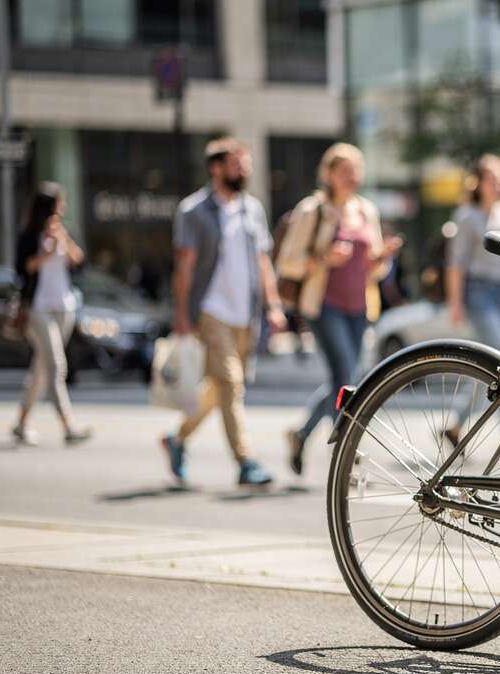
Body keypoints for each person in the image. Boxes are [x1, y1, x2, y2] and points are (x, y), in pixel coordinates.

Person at [161, 137, 286, 487]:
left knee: (220, 390)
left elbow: (263, 262)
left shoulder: (252, 209)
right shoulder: (193, 211)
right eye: (236, 164)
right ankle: (246, 462)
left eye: (245, 164)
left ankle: (177, 439)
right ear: (215, 168)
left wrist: (273, 305)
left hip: (246, 314)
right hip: (211, 311)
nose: (244, 170)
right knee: (231, 385)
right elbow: (184, 267)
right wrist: (183, 315)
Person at [278, 143, 401, 475]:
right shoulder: (312, 210)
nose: (352, 176)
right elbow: (287, 261)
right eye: (345, 170)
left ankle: (300, 434)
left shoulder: (366, 211)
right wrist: (323, 259)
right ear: (328, 174)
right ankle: (347, 455)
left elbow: (373, 270)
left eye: (356, 170)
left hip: (360, 306)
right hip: (324, 305)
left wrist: (381, 258)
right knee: (346, 376)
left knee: (344, 379)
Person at [443, 154, 500, 447]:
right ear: (479, 182)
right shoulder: (468, 217)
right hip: (478, 293)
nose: (499, 185)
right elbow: (456, 265)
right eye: (493, 179)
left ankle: (455, 426)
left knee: (487, 369)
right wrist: (455, 304)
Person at [11, 182, 91, 446]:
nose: (64, 207)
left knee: (41, 370)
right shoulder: (29, 235)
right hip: (38, 307)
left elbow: (78, 261)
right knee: (56, 364)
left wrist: (64, 240)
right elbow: (23, 269)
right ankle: (69, 426)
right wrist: (45, 252)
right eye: (60, 202)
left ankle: (21, 423)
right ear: (48, 205)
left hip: (64, 305)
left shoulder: (63, 231)